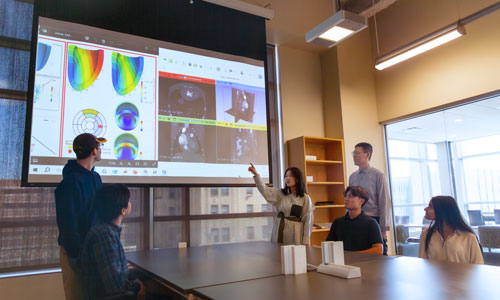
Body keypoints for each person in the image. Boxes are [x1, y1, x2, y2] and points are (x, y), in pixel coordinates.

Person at [55, 133, 106, 300]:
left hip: (93, 249)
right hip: (75, 252)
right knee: (77, 295)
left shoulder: (95, 177)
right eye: (99, 146)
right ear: (93, 151)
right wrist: (76, 256)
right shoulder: (70, 183)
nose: (101, 150)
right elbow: (67, 223)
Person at [80, 184, 146, 300]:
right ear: (123, 211)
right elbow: (116, 286)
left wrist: (136, 276)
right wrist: (137, 286)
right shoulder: (105, 235)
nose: (130, 202)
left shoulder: (104, 230)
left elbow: (119, 273)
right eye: (129, 200)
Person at [248, 163, 314, 245]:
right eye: (286, 176)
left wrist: (306, 242)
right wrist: (256, 174)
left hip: (296, 234)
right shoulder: (280, 193)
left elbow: (308, 221)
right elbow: (265, 191)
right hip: (279, 230)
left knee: (294, 256)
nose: (287, 178)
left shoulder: (305, 198)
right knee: (278, 255)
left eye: (290, 176)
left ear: (297, 178)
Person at [349, 142, 391, 255]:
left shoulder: (378, 175)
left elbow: (384, 202)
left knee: (379, 258)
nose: (354, 156)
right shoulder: (352, 177)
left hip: (373, 220)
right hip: (356, 220)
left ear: (367, 154)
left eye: (357, 153)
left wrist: (383, 228)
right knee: (359, 254)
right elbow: (350, 200)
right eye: (353, 153)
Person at [418, 196, 484, 264]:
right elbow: (423, 263)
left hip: (462, 274)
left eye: (430, 206)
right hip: (434, 275)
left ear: (442, 210)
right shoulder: (425, 234)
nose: (425, 209)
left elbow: (478, 265)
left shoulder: (469, 237)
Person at [326, 186, 383, 254]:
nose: (346, 199)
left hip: (364, 263)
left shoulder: (371, 223)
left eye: (351, 196)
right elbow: (328, 246)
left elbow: (378, 250)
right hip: (342, 262)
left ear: (361, 201)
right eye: (346, 196)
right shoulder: (338, 222)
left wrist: (353, 255)